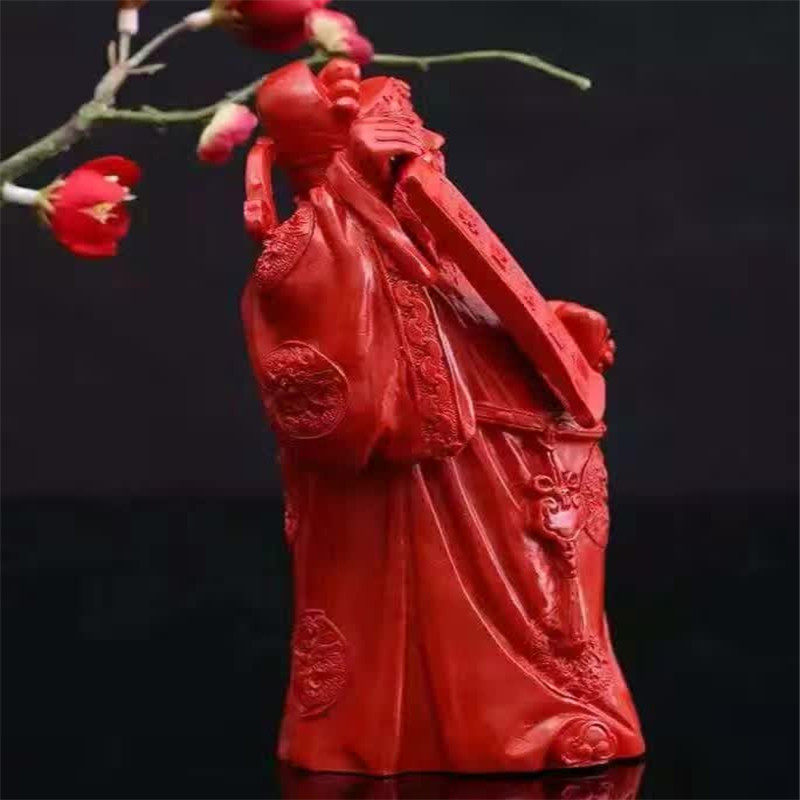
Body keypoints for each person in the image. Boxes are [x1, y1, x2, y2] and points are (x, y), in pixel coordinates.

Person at [240, 58, 643, 775]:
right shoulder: (306, 250)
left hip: (501, 478)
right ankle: (495, 728)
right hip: (415, 493)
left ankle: (549, 713)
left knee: (545, 609)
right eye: (410, 137)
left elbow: (464, 320)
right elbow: (333, 387)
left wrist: (553, 326)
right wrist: (347, 190)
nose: (431, 147)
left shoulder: (419, 237)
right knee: (427, 623)